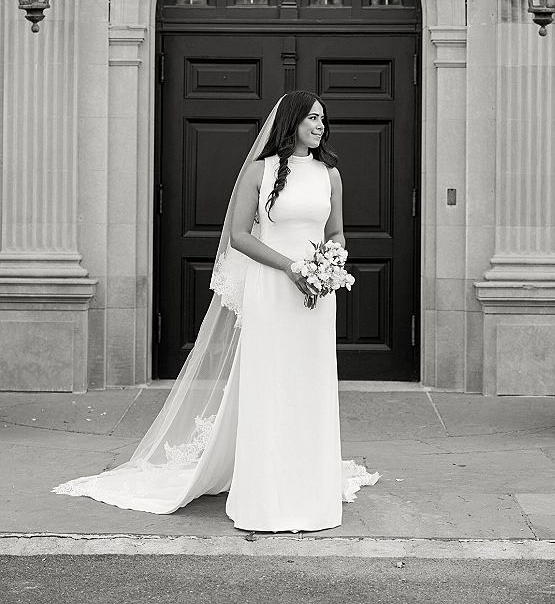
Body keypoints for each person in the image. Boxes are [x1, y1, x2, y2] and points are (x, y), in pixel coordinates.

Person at [54, 92, 379, 531]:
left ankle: (310, 489)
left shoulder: (330, 174)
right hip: (273, 288)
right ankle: (265, 493)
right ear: (291, 122)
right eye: (312, 118)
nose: (321, 125)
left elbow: (336, 231)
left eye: (323, 119)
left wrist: (328, 269)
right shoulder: (259, 172)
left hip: (317, 298)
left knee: (311, 384)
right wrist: (290, 267)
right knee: (270, 384)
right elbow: (239, 236)